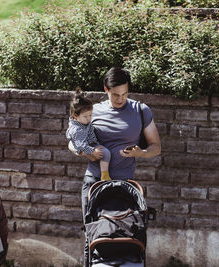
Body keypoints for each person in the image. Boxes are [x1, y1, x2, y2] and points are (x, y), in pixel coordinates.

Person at [68, 67, 161, 266]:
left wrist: (140, 153)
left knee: (127, 237)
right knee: (92, 238)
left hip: (125, 187)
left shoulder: (140, 110)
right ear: (106, 89)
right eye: (116, 94)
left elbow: (156, 147)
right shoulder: (94, 111)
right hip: (95, 184)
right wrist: (82, 152)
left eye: (125, 94)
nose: (121, 99)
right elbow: (72, 139)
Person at [66, 88, 111, 181]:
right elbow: (80, 145)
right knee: (105, 153)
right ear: (75, 116)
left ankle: (104, 174)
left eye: (90, 115)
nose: (89, 118)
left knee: (105, 153)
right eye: (85, 116)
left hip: (89, 143)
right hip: (83, 146)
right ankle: (104, 175)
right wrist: (92, 151)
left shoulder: (83, 122)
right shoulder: (77, 129)